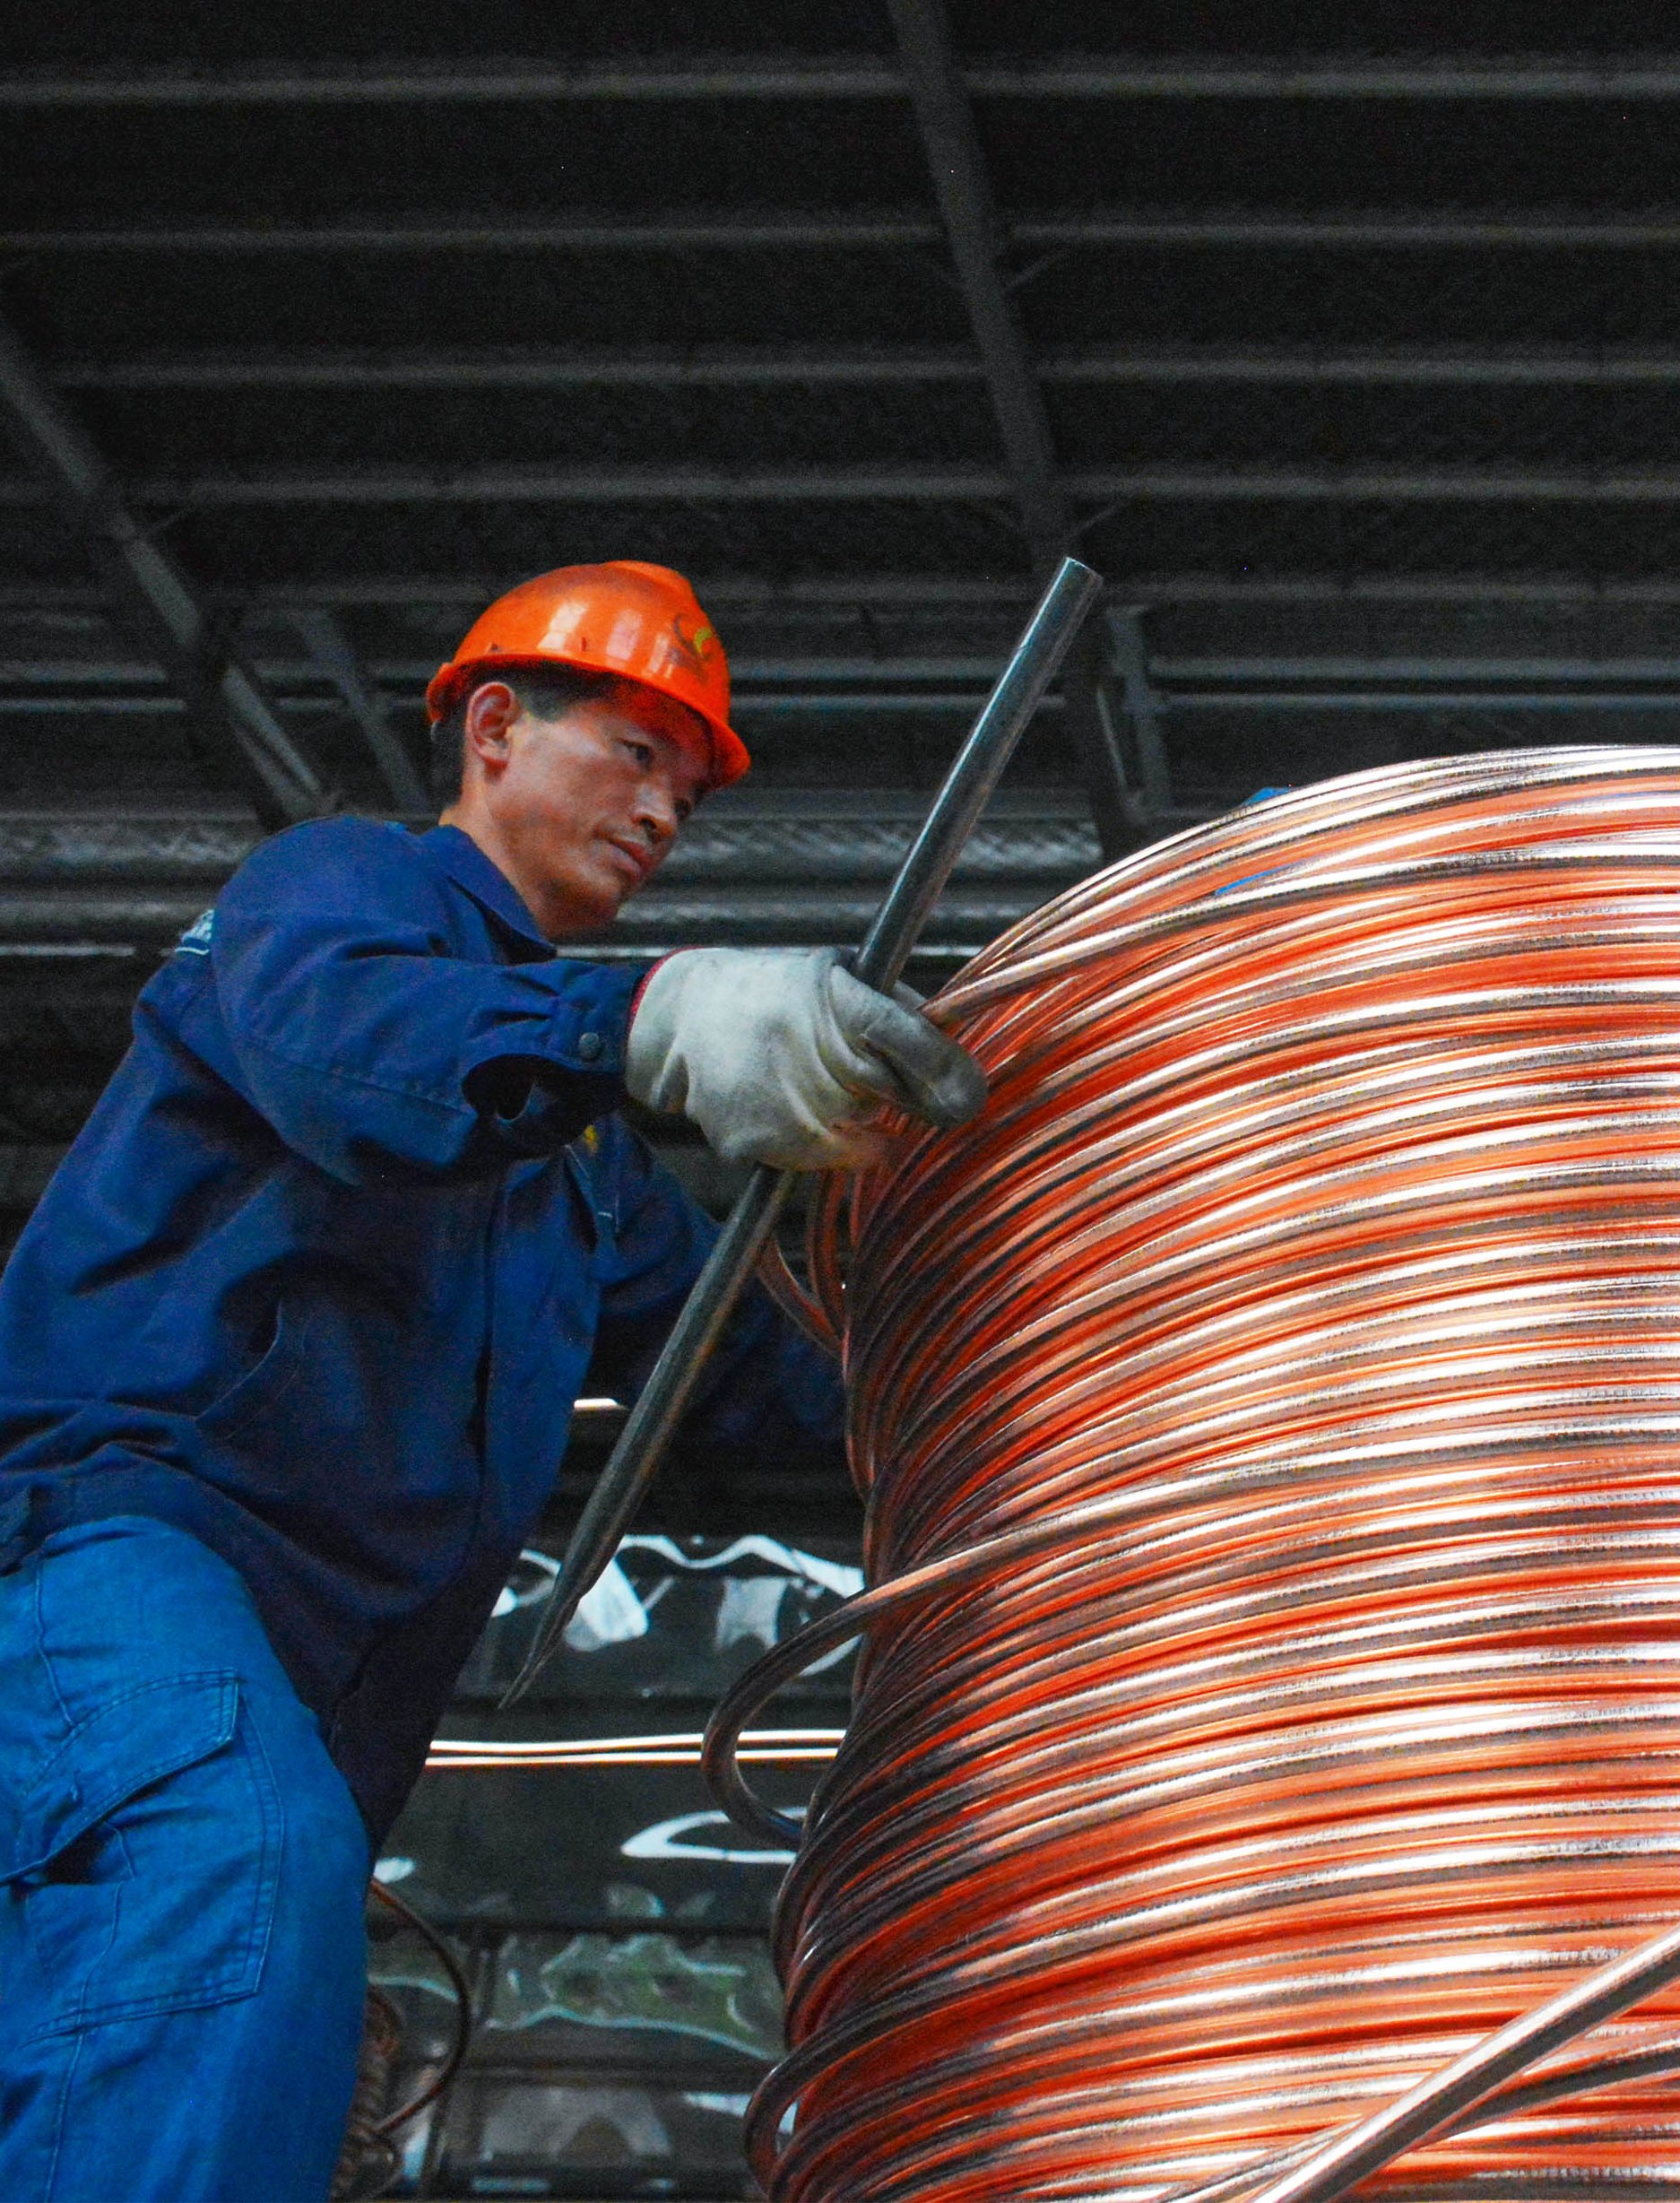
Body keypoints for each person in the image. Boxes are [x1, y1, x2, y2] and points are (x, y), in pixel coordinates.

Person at [0, 563, 986, 2200]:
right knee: (231, 1864)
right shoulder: (332, 897)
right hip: (103, 1559)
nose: (665, 805)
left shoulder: (582, 1173)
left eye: (688, 780)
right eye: (635, 746)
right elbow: (355, 1051)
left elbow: (764, 1375)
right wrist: (659, 1017)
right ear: (494, 728)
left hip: (323, 1686)